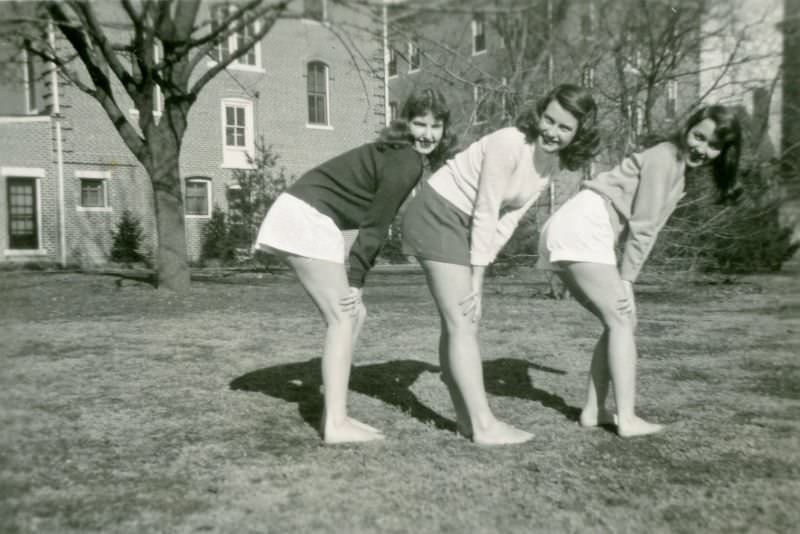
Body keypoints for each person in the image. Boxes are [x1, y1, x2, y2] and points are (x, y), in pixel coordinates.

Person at [402, 84, 600, 445]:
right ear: (539, 114)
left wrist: (483, 264)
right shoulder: (509, 142)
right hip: (438, 213)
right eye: (549, 120)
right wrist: (477, 277)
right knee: (463, 321)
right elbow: (487, 209)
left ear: (578, 134)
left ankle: (467, 422)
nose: (552, 132)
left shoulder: (550, 164)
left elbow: (508, 219)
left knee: (457, 325)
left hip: (462, 224)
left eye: (564, 128)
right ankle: (483, 426)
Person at [254, 88, 455, 444]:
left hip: (314, 218)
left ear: (444, 129)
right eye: (419, 123)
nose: (427, 133)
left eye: (435, 126)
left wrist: (352, 279)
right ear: (405, 123)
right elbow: (376, 225)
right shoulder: (405, 159)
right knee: (344, 314)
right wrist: (355, 281)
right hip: (304, 217)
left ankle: (337, 408)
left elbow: (357, 214)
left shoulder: (399, 155)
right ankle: (335, 423)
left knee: (353, 316)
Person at [537, 105, 742, 438]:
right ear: (687, 129)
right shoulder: (665, 157)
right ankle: (627, 418)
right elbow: (644, 226)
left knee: (618, 321)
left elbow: (644, 225)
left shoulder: (676, 167)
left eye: (712, 146)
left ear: (723, 153)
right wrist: (627, 281)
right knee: (621, 319)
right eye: (698, 136)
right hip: (584, 223)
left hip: (576, 224)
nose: (701, 149)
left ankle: (593, 410)